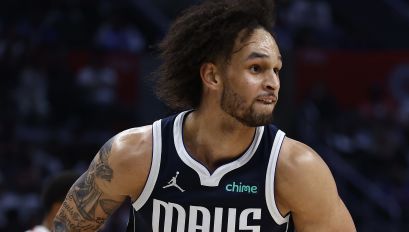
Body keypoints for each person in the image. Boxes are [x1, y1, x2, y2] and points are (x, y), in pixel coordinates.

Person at [53, 0, 356, 231]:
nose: (273, 82)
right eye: (256, 68)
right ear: (212, 75)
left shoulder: (296, 169)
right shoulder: (135, 154)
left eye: (276, 69)